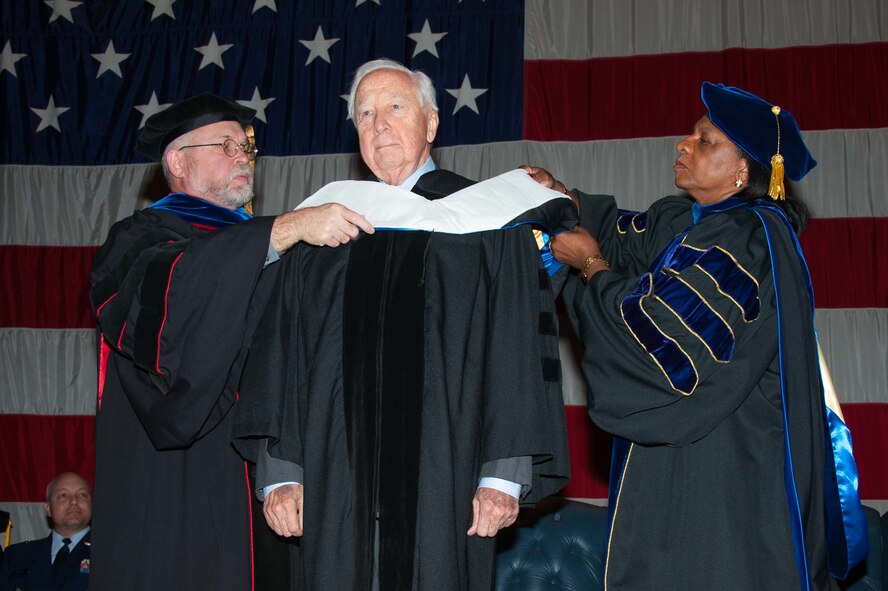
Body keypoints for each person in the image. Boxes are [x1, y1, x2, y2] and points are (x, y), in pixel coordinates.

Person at [233, 59, 573, 590]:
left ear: (432, 123)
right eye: (364, 113)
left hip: (450, 473)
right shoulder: (323, 227)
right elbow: (285, 354)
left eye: (395, 106)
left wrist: (502, 475)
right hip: (330, 480)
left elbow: (515, 348)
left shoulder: (486, 224)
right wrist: (281, 473)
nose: (378, 123)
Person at [530, 82, 867, 590]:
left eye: (705, 140)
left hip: (727, 487)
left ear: (743, 170)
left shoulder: (745, 240)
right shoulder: (692, 224)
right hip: (692, 478)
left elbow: (659, 349)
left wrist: (591, 266)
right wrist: (559, 196)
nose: (682, 144)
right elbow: (624, 236)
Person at [88, 93, 373, 591]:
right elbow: (169, 318)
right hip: (176, 484)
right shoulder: (137, 240)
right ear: (178, 160)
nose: (244, 156)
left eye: (246, 146)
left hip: (272, 478)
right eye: (226, 145)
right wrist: (281, 231)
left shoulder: (274, 249)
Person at [0, 472, 92, 591]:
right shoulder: (16, 556)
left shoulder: (108, 554)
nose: (74, 501)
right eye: (63, 495)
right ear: (48, 509)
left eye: (82, 494)